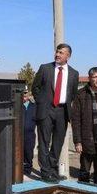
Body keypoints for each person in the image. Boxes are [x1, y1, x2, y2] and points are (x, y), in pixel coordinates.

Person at [31, 44, 79, 182]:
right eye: (57, 52)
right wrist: (41, 101)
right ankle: (45, 173)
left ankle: (53, 170)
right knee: (44, 142)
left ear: (68, 56)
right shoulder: (45, 68)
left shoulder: (74, 73)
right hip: (46, 110)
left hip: (63, 111)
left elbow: (73, 93)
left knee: (58, 143)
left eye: (61, 53)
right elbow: (36, 87)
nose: (57, 54)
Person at [22, 90, 37, 176]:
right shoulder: (17, 105)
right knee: (19, 152)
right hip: (19, 134)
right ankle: (19, 169)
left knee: (28, 152)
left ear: (29, 95)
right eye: (23, 93)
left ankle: (27, 169)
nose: (24, 95)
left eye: (26, 94)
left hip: (30, 134)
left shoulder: (34, 106)